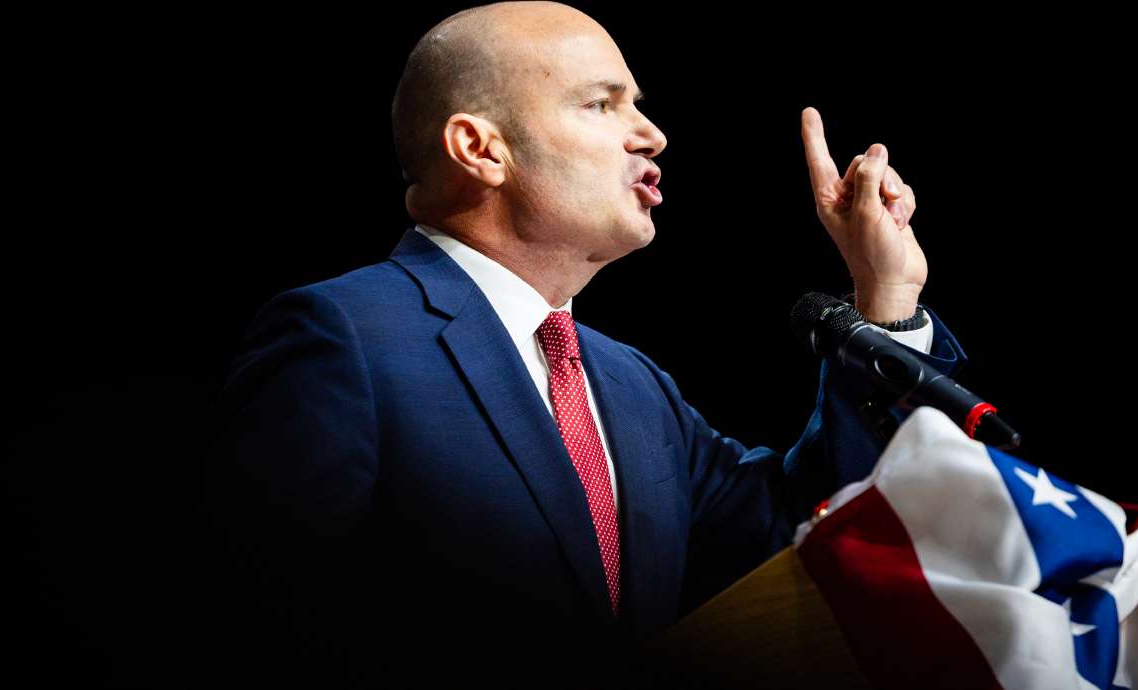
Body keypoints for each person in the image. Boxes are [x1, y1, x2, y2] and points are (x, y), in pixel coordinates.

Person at [202, 2, 968, 687]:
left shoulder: (630, 384)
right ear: (481, 149)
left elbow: (806, 530)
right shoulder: (342, 338)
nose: (652, 133)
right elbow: (263, 621)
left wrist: (885, 300)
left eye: (639, 104)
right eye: (603, 104)